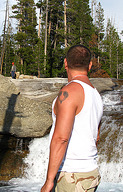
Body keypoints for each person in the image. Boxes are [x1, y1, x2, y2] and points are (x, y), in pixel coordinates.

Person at [41, 45, 103, 192]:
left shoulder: (68, 92)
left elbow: (61, 138)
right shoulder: (96, 95)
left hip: (71, 176)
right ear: (89, 65)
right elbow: (97, 137)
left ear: (65, 63)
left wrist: (49, 180)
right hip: (90, 173)